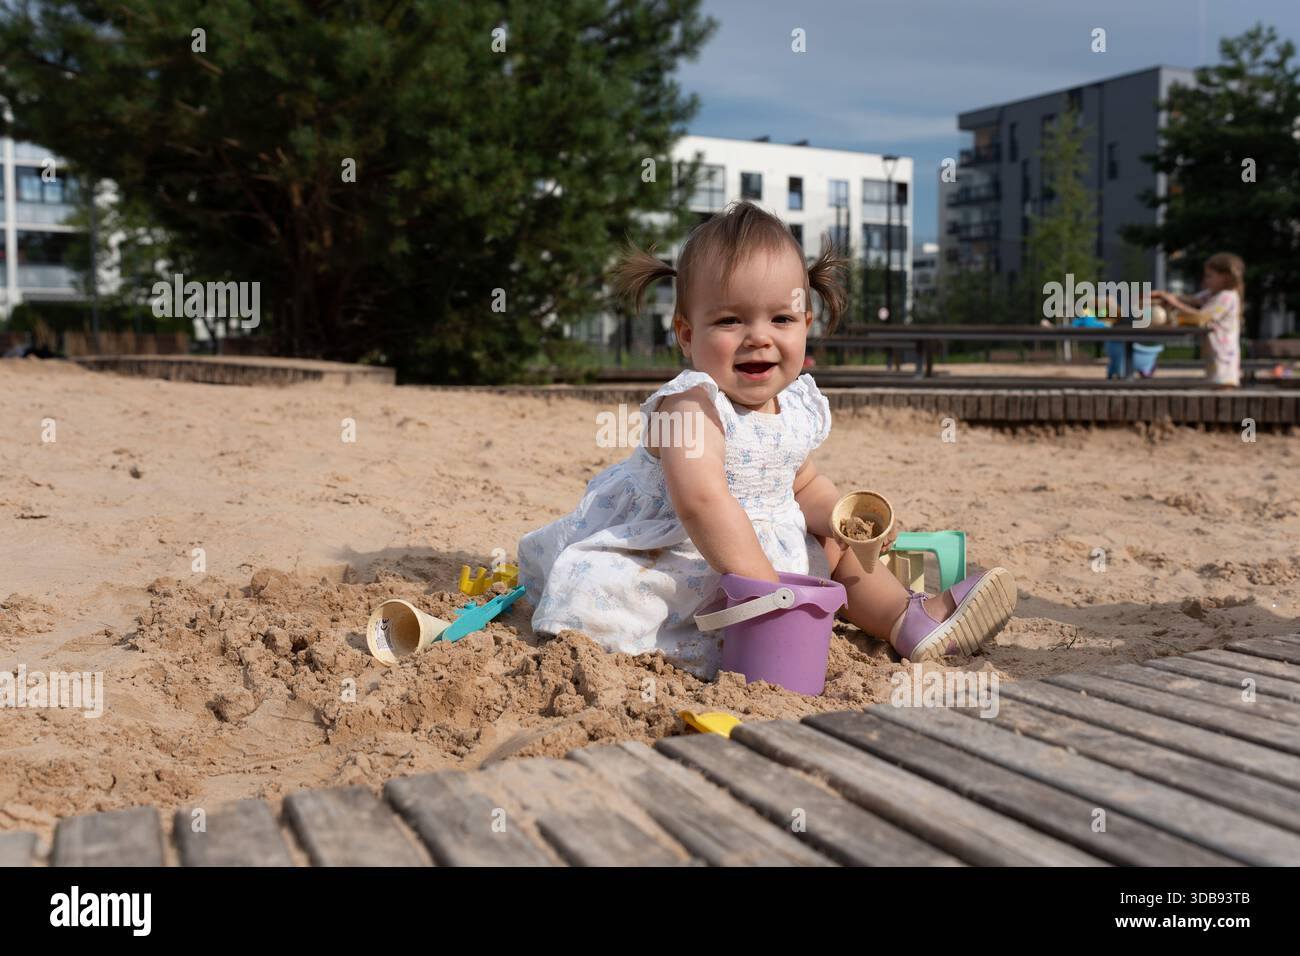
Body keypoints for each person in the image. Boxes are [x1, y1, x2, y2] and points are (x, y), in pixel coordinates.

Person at [518, 201, 1016, 679]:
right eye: (730, 320)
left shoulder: (793, 404)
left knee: (833, 547)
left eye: (780, 319)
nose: (758, 336)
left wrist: (843, 516)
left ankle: (906, 620)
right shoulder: (692, 404)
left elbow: (802, 484)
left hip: (765, 555)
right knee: (617, 594)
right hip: (685, 554)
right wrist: (767, 591)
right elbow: (701, 502)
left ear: (805, 324)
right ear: (687, 334)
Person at [1152, 252, 1245, 388]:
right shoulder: (1212, 294)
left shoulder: (1227, 297)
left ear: (1225, 277)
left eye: (1210, 276)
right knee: (1213, 384)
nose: (1206, 280)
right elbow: (1191, 300)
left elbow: (1201, 316)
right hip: (1214, 352)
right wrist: (1164, 295)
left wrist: (1173, 302)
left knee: (1223, 386)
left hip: (1224, 355)